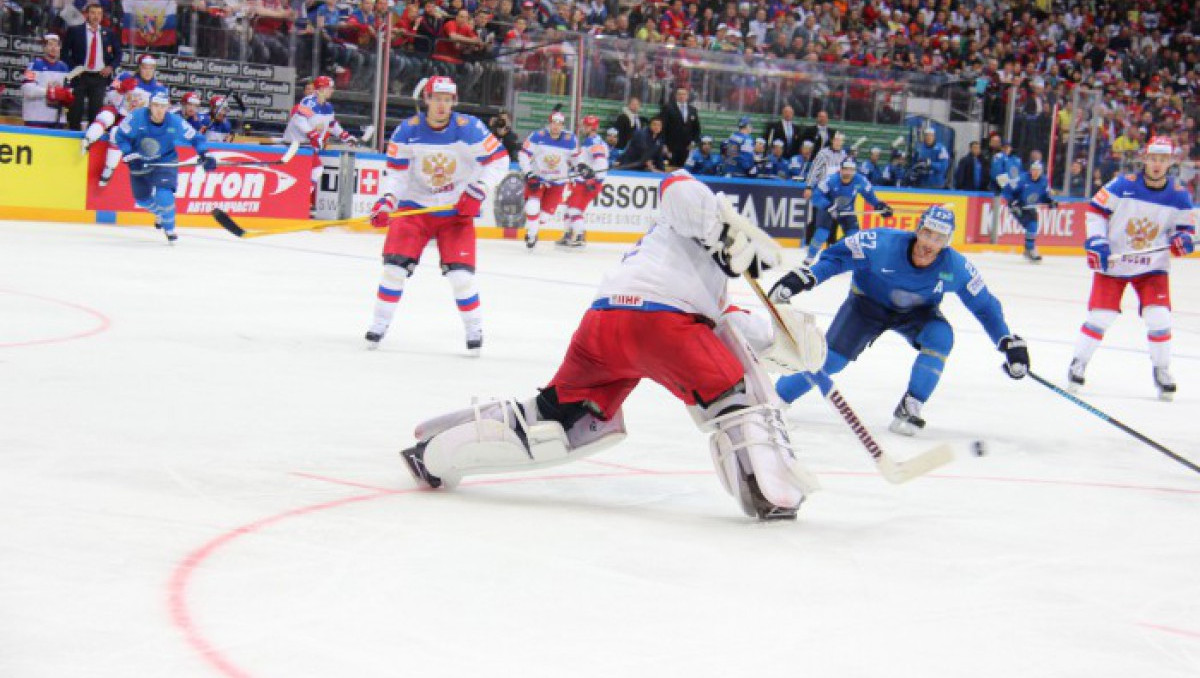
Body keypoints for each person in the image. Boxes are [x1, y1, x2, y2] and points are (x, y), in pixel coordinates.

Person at [399, 171, 827, 521]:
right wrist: (723, 228)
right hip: (662, 325)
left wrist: (779, 341)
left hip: (603, 325)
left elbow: (726, 321)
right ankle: (772, 493)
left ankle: (433, 454)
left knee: (554, 418)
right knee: (740, 396)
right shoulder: (696, 217)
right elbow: (676, 183)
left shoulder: (682, 261)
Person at [770, 205, 1030, 435]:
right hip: (867, 306)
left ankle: (911, 406)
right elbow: (838, 257)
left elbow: (984, 305)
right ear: (918, 230)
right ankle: (772, 400)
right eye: (927, 233)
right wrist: (807, 278)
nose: (930, 243)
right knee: (831, 361)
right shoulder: (881, 243)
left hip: (917, 314)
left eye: (939, 238)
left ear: (947, 242)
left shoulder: (956, 267)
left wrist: (1006, 341)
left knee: (941, 338)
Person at [364, 76, 508, 354]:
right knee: (394, 270)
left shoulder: (470, 128)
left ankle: (474, 328)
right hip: (414, 209)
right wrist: (387, 201)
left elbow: (499, 159)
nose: (442, 105)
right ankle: (379, 324)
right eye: (436, 98)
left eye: (447, 99)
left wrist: (478, 190)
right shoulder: (407, 130)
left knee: (461, 277)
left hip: (455, 212)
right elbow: (396, 174)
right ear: (426, 99)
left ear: (453, 101)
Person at [1067, 137, 1195, 400]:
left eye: (1163, 159)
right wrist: (1097, 241)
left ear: (1170, 162)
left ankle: (1162, 370)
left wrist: (1183, 241)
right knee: (1100, 318)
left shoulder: (1180, 195)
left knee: (1159, 318)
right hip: (1114, 262)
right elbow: (1095, 211)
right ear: (1144, 159)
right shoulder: (1123, 184)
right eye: (1153, 158)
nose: (1157, 164)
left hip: (1152, 268)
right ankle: (1078, 363)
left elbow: (1185, 231)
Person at [114, 91, 216, 244]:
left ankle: (169, 229)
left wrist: (205, 154)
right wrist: (130, 154)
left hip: (165, 160)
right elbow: (121, 136)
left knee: (164, 194)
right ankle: (160, 214)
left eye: (162, 106)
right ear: (150, 105)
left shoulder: (175, 121)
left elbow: (196, 138)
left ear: (167, 106)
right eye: (155, 105)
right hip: (140, 161)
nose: (159, 110)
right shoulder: (136, 117)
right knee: (142, 199)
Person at [282, 75, 359, 214]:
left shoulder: (328, 107)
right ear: (320, 89)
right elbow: (299, 120)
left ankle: (300, 202)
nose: (332, 90)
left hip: (308, 146)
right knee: (316, 170)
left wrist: (346, 137)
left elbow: (331, 124)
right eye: (329, 88)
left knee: (312, 172)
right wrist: (312, 133)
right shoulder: (308, 102)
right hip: (296, 145)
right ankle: (302, 201)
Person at [805, 159, 893, 265]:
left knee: (854, 237)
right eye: (845, 169)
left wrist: (880, 206)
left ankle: (834, 250)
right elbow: (816, 196)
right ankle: (809, 258)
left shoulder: (860, 181)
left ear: (854, 171)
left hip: (848, 211)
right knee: (822, 233)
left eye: (851, 170)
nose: (848, 173)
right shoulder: (830, 180)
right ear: (840, 170)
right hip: (828, 210)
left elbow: (870, 196)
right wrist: (828, 206)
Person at [519, 110, 577, 249]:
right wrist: (529, 173)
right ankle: (532, 236)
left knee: (544, 217)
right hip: (538, 179)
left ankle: (532, 228)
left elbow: (576, 159)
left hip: (558, 182)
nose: (556, 126)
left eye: (560, 124)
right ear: (549, 123)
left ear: (563, 125)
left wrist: (580, 167)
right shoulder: (537, 136)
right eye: (554, 123)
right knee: (532, 206)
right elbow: (523, 154)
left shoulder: (570, 140)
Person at [64, 0, 121, 131]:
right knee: (75, 112)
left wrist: (111, 67)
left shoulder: (109, 33)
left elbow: (118, 54)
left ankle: (91, 142)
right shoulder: (75, 31)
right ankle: (72, 139)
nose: (96, 16)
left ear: (102, 16)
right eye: (93, 13)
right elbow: (64, 53)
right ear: (87, 14)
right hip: (79, 76)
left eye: (99, 14)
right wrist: (74, 68)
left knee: (95, 113)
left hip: (99, 78)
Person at [558, 114, 609, 248]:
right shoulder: (591, 141)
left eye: (586, 125)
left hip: (587, 184)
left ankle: (580, 236)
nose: (583, 127)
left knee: (574, 210)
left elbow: (601, 162)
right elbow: (586, 162)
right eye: (584, 125)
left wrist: (594, 180)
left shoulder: (594, 142)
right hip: (582, 182)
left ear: (593, 127)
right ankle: (568, 235)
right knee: (569, 208)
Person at [1002, 160, 1056, 262]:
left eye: (1037, 170)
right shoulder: (1021, 179)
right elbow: (1007, 190)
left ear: (1041, 171)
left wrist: (1050, 202)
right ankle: (1029, 249)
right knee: (1032, 225)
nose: (1035, 172)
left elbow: (1043, 196)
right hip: (1018, 206)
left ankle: (1029, 248)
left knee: (1032, 226)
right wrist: (1012, 202)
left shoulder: (1044, 181)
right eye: (1033, 170)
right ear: (1030, 170)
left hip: (1030, 208)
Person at [21, 34, 72, 129]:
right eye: (50, 44)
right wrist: (49, 92)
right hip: (36, 119)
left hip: (57, 120)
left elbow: (67, 90)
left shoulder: (64, 67)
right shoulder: (34, 65)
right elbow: (27, 90)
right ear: (44, 47)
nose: (54, 48)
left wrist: (67, 96)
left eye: (56, 45)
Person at [659, 86, 702, 168]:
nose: (682, 96)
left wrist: (693, 142)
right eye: (679, 94)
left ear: (687, 96)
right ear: (676, 96)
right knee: (670, 168)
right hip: (671, 146)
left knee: (683, 170)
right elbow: (663, 127)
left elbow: (696, 128)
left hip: (686, 148)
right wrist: (664, 144)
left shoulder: (692, 110)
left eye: (684, 94)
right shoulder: (668, 108)